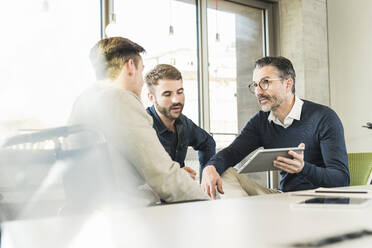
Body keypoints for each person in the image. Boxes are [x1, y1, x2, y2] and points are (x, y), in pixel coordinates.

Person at [68, 37, 208, 207]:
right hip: (128, 215)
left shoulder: (83, 100)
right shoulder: (120, 100)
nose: (142, 81)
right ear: (130, 66)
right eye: (141, 70)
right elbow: (164, 177)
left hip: (93, 209)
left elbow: (119, 171)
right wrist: (209, 204)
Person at [201, 56, 350, 199]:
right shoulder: (261, 121)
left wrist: (303, 168)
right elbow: (231, 153)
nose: (258, 92)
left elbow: (341, 180)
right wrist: (210, 167)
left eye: (265, 82)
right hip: (283, 198)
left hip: (318, 199)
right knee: (223, 171)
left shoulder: (324, 118)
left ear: (288, 84)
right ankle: (243, 219)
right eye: (255, 85)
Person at [145, 64, 216, 180]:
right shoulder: (143, 127)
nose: (176, 100)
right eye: (167, 94)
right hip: (152, 196)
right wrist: (175, 175)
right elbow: (136, 176)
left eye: (179, 92)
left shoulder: (183, 123)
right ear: (151, 97)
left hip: (182, 193)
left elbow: (208, 143)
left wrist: (206, 176)